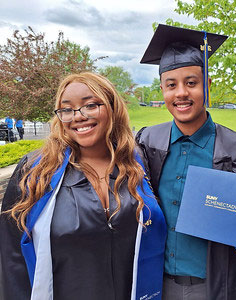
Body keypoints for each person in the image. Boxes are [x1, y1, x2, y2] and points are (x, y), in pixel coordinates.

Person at [136, 24, 236, 300]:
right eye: (171, 85)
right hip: (154, 283)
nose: (181, 93)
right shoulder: (146, 142)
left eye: (191, 83)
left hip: (214, 287)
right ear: (162, 89)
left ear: (207, 86)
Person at [0, 72, 166, 300]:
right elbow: (12, 260)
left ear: (112, 107)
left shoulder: (136, 165)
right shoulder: (35, 172)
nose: (78, 116)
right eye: (67, 109)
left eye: (90, 105)